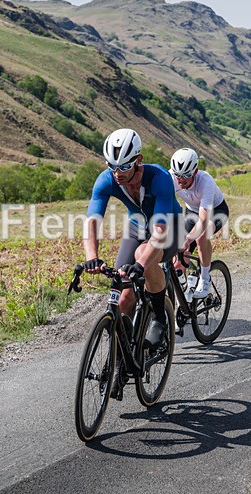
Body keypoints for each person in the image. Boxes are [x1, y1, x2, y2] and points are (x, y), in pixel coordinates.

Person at [83, 128, 184, 352]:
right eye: (112, 166)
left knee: (142, 258)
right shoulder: (106, 180)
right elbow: (92, 221)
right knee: (122, 296)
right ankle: (122, 355)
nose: (117, 173)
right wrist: (92, 257)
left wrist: (140, 265)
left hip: (169, 228)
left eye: (124, 166)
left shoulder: (158, 178)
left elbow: (159, 230)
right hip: (136, 227)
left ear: (139, 160)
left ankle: (159, 317)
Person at [169, 147, 229, 298]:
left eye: (186, 175)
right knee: (178, 260)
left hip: (216, 211)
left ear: (195, 172)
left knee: (201, 236)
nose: (180, 180)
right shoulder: (171, 178)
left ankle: (204, 277)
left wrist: (188, 239)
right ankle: (184, 295)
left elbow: (203, 219)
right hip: (191, 211)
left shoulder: (205, 181)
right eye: (177, 175)